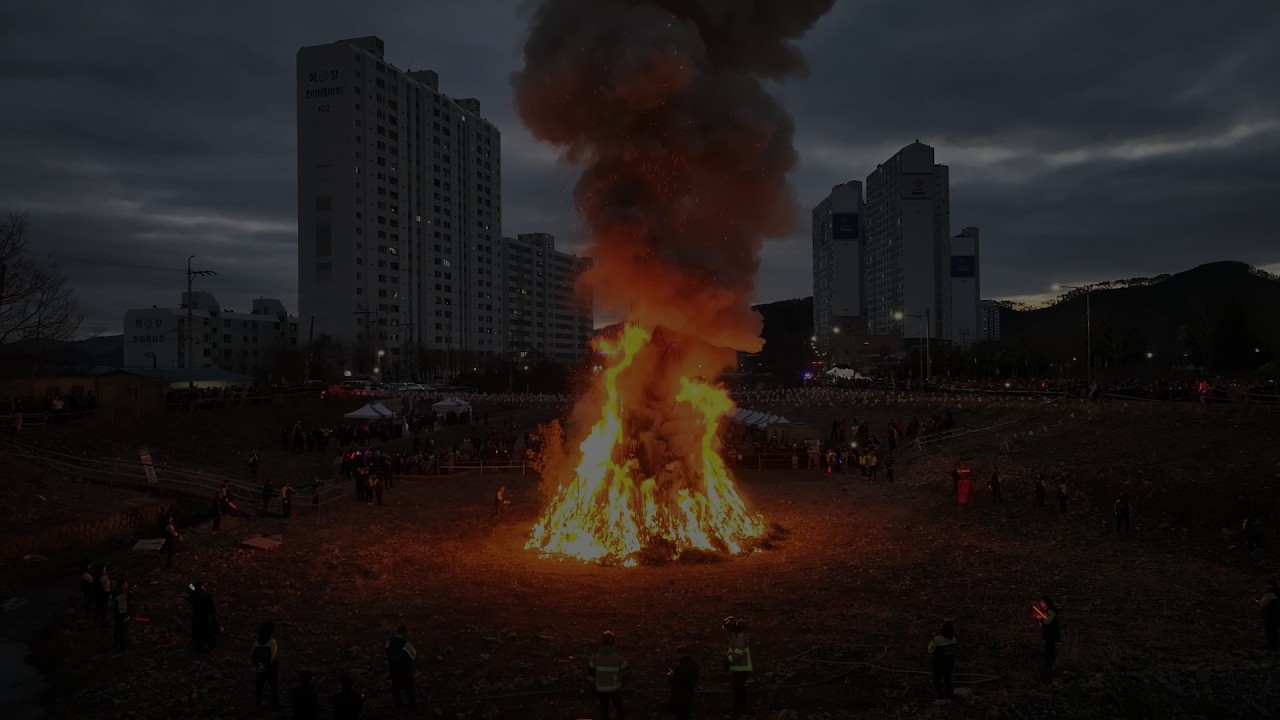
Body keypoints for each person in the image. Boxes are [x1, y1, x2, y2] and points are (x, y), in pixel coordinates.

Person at [588, 630, 627, 720]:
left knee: (604, 709)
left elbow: (591, 673)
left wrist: (592, 685)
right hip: (615, 687)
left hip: (601, 688)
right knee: (618, 707)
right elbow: (625, 668)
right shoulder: (618, 658)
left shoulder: (595, 658)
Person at [724, 617, 752, 719]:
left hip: (741, 669)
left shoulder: (738, 637)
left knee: (739, 692)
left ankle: (739, 713)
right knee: (739, 691)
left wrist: (729, 660)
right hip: (738, 668)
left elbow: (739, 653)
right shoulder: (735, 637)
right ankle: (739, 712)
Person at [385, 625, 418, 712]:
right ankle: (413, 707)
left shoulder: (389, 643)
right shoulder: (406, 644)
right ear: (404, 632)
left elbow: (387, 654)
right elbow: (413, 656)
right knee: (409, 690)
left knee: (396, 690)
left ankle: (398, 707)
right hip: (404, 671)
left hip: (393, 671)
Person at [251, 622, 281, 708]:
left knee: (259, 684)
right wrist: (266, 664)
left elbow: (252, 654)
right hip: (271, 667)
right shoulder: (272, 642)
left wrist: (259, 664)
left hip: (260, 666)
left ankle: (258, 701)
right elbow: (273, 655)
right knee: (273, 685)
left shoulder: (257, 642)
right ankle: (275, 704)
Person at [927, 621, 957, 700]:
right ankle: (948, 697)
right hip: (949, 664)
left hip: (938, 664)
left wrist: (932, 638)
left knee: (937, 680)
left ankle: (940, 698)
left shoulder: (937, 639)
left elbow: (930, 649)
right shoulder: (954, 639)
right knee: (947, 679)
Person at [667, 646, 699, 720]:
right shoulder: (695, 666)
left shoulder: (681, 667)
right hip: (689, 696)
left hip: (679, 698)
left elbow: (675, 682)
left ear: (680, 654)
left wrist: (670, 676)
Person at [1034, 597, 1061, 677]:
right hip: (1048, 633)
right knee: (1049, 647)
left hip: (1051, 633)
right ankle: (1049, 664)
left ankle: (1049, 664)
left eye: (1042, 602)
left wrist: (1041, 618)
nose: (1041, 603)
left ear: (1046, 602)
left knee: (1050, 648)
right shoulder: (1047, 610)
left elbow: (1048, 621)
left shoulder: (1051, 610)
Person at [189, 582, 218, 652]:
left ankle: (200, 647)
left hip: (197, 618)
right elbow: (213, 609)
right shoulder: (208, 596)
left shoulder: (194, 596)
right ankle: (210, 645)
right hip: (206, 618)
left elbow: (191, 587)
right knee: (208, 633)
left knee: (199, 633)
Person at [1259, 579, 1279, 652]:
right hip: (1277, 614)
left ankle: (1271, 647)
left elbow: (1262, 603)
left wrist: (1259, 601)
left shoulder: (1270, 593)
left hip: (1269, 615)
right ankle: (1276, 646)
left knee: (1269, 631)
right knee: (1275, 630)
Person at [111, 580, 132, 651]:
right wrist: (126, 616)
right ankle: (122, 646)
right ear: (122, 585)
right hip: (122, 616)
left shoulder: (118, 594)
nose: (126, 585)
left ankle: (116, 645)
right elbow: (123, 607)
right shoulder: (121, 596)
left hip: (118, 615)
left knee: (118, 630)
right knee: (123, 631)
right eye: (125, 584)